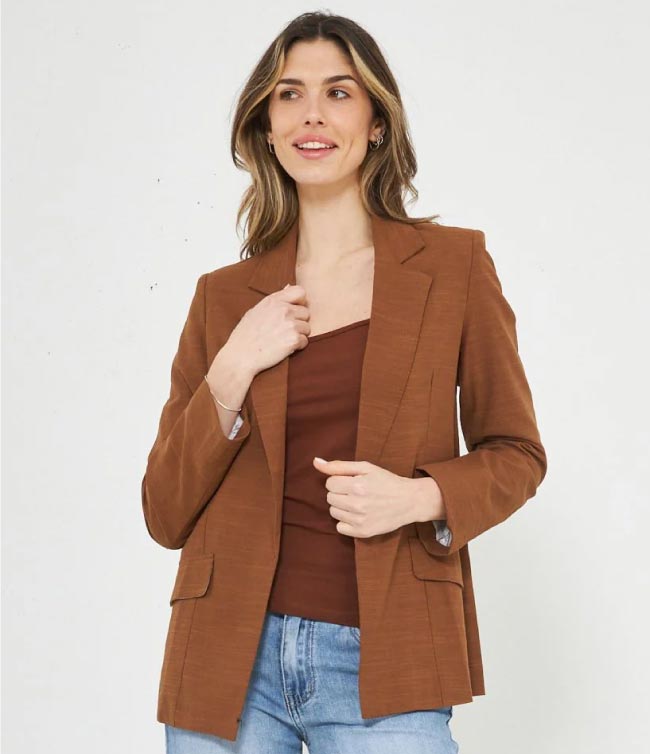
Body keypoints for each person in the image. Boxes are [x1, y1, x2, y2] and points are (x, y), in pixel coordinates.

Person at [142, 11, 547, 753]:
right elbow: (164, 512)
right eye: (289, 94)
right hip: (227, 659)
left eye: (338, 92)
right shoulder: (223, 298)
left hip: (385, 657)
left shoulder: (452, 267)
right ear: (267, 127)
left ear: (376, 122)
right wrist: (232, 366)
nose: (312, 115)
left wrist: (419, 497)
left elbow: (517, 453)